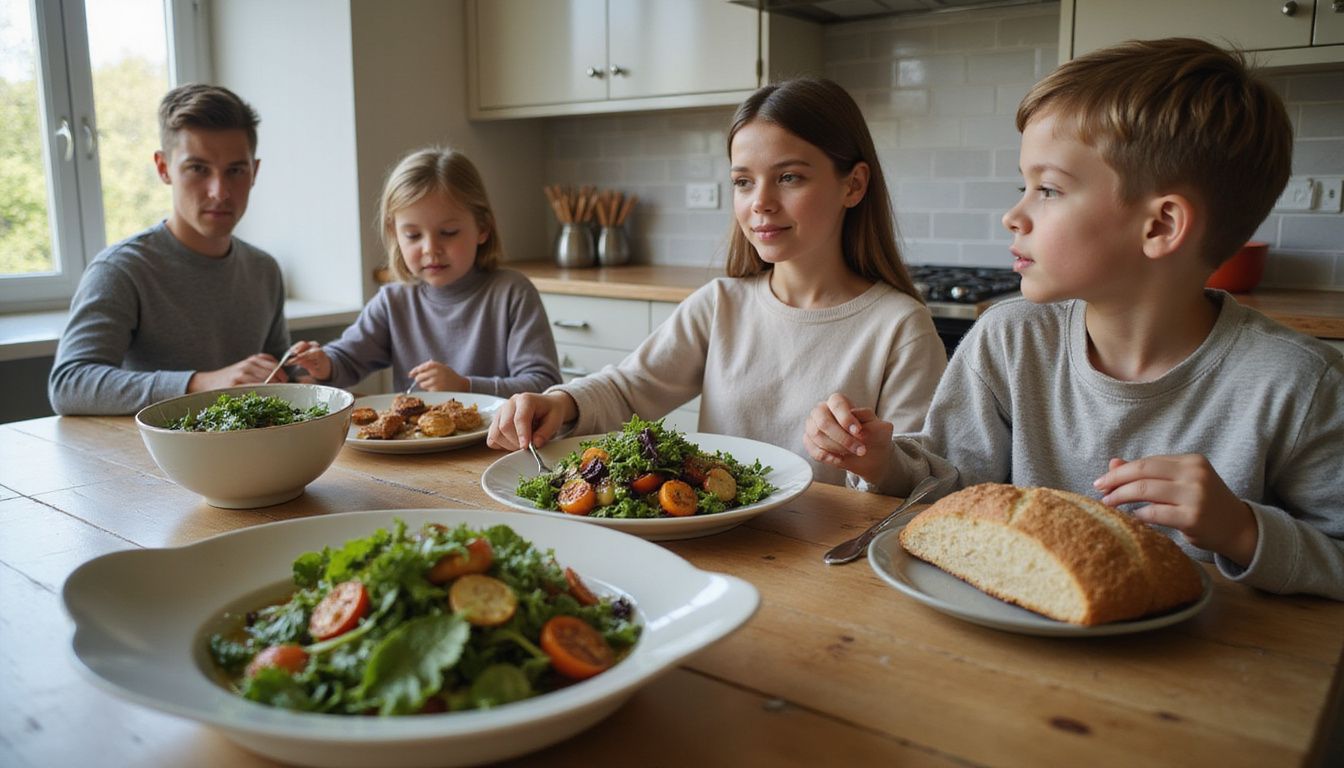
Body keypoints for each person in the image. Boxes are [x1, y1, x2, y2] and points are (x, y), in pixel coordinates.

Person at [805, 38, 1344, 599]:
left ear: (1160, 226)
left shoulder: (1298, 383)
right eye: (1024, 185)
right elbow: (952, 487)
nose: (1014, 215)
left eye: (1049, 189)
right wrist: (883, 462)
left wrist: (1242, 530)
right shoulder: (1009, 339)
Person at [488, 78, 947, 486]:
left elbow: (922, 475)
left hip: (826, 559)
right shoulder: (720, 304)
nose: (760, 202)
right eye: (743, 182)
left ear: (854, 185)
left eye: (789, 177)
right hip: (719, 547)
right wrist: (561, 402)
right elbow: (629, 389)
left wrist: (876, 462)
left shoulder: (901, 326)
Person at [48, 84, 290, 415]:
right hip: (149, 461)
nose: (220, 191)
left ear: (254, 172)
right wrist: (200, 384)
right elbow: (69, 384)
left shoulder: (265, 270)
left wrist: (304, 369)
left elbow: (279, 378)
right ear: (164, 168)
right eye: (198, 169)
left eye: (236, 170)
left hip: (249, 458)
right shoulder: (122, 269)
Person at [288, 147, 560, 397]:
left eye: (448, 233)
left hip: (496, 446)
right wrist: (323, 363)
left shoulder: (512, 293)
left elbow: (544, 384)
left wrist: (465, 386)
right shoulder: (393, 301)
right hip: (415, 446)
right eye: (413, 235)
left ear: (483, 228)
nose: (431, 248)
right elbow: (347, 359)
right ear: (395, 234)